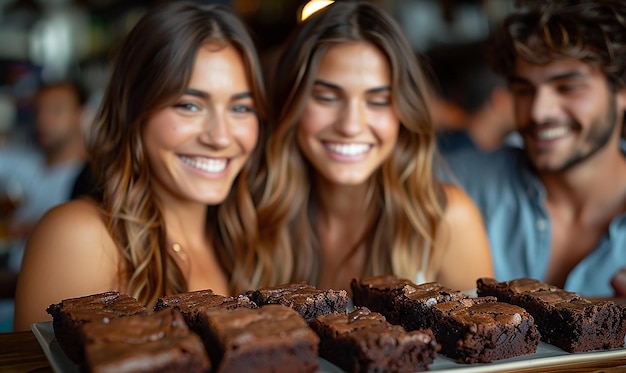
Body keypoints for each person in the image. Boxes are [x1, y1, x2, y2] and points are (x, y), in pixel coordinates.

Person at [13, 1, 266, 330]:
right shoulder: (79, 238)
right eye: (189, 105)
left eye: (241, 108)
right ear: (134, 112)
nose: (220, 137)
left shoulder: (249, 240)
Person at [254, 1, 494, 294]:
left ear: (404, 112)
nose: (351, 125)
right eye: (327, 97)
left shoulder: (445, 220)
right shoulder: (256, 212)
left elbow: (485, 338)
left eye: (378, 101)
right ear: (291, 102)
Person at [445, 0, 626, 297]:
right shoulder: (458, 183)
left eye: (567, 87)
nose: (539, 112)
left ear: (621, 90)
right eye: (524, 90)